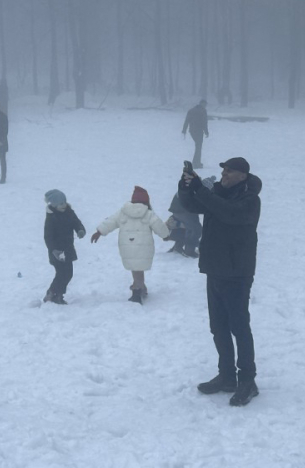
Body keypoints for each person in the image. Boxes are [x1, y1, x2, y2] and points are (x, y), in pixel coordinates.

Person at [178, 157, 262, 407]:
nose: (223, 174)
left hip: (237, 272)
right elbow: (192, 205)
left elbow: (229, 214)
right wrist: (186, 185)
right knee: (218, 327)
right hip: (215, 269)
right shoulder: (217, 193)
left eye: (229, 171)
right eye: (223, 171)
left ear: (243, 176)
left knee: (239, 327)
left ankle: (247, 380)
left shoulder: (249, 199)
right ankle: (226, 376)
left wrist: (202, 190)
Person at [90, 186, 170, 304]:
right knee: (138, 267)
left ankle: (139, 287)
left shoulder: (123, 212)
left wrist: (99, 232)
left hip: (127, 246)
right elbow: (159, 225)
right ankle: (138, 290)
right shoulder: (148, 213)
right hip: (143, 247)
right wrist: (165, 235)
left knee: (135, 267)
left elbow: (111, 221)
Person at [43, 189, 86, 305]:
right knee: (62, 273)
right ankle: (52, 293)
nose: (63, 205)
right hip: (57, 252)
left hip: (67, 249)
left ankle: (59, 295)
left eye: (64, 202)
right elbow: (48, 237)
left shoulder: (69, 212)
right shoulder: (51, 218)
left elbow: (76, 222)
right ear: (54, 205)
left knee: (68, 273)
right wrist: (54, 251)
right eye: (60, 204)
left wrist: (80, 230)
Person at [165, 187, 206, 258]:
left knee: (188, 227)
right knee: (195, 229)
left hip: (177, 210)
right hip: (184, 211)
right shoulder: (197, 190)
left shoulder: (190, 187)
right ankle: (189, 251)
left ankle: (177, 247)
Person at [182, 100, 209, 169]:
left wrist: (184, 130)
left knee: (198, 146)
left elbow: (187, 120)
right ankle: (196, 163)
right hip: (199, 130)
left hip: (192, 130)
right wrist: (206, 131)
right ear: (202, 104)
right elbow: (204, 122)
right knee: (198, 147)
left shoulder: (191, 110)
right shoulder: (203, 111)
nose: (205, 106)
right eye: (205, 104)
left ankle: (196, 163)